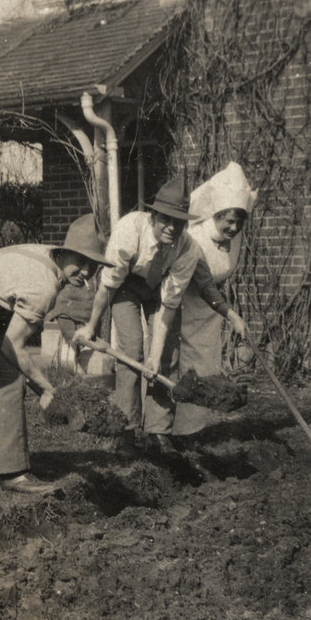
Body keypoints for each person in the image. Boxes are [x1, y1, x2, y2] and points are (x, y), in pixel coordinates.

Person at [0, 214, 111, 494]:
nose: (87, 272)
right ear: (65, 253)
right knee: (7, 379)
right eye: (82, 261)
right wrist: (46, 388)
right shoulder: (44, 286)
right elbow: (12, 345)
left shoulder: (49, 261)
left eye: (93, 266)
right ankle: (13, 474)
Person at [73, 176, 201, 462]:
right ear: (153, 215)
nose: (172, 228)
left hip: (161, 289)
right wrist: (92, 326)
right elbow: (108, 285)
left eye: (179, 222)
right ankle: (126, 430)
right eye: (166, 219)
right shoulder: (130, 230)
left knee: (167, 355)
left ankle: (159, 431)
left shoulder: (188, 249)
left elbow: (168, 306)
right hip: (126, 286)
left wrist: (155, 357)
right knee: (131, 350)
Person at [173, 162, 253, 438]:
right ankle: (171, 430)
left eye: (239, 222)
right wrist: (232, 315)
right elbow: (203, 283)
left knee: (206, 365)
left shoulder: (236, 239)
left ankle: (193, 429)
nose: (234, 227)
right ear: (216, 214)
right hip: (183, 302)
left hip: (209, 308)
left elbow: (218, 277)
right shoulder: (195, 238)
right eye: (229, 221)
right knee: (184, 366)